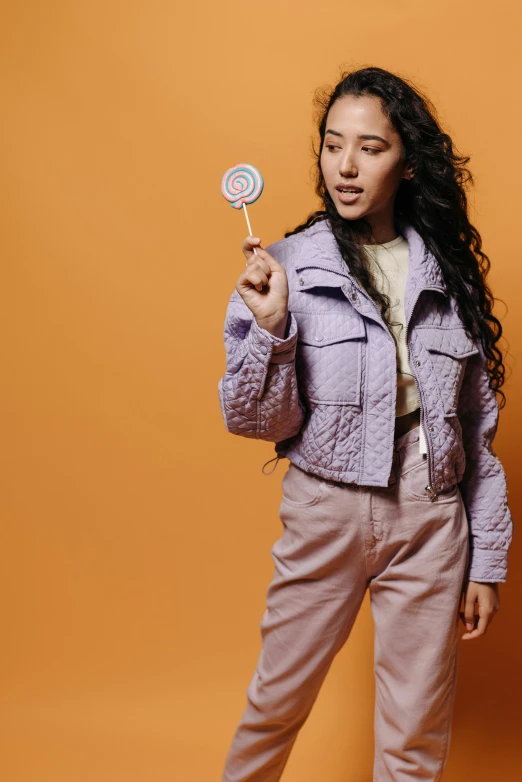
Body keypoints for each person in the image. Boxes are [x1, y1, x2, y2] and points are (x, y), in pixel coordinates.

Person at [217, 66, 514, 782]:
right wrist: (274, 328)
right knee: (276, 703)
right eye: (332, 145)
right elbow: (255, 418)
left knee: (415, 731)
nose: (346, 167)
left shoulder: (448, 274)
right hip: (328, 508)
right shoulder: (284, 268)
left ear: (406, 161)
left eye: (370, 148)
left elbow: (475, 431)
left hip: (432, 512)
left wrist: (489, 560)